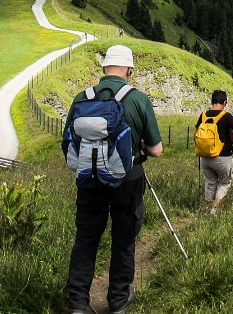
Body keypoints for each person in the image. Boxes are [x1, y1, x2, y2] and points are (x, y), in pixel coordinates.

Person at [64, 45, 162, 314]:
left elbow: (68, 142)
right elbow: (156, 150)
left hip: (88, 180)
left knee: (86, 238)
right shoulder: (137, 99)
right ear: (129, 69)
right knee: (124, 237)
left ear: (104, 68)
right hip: (127, 180)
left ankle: (77, 302)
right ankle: (118, 299)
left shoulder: (81, 98)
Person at [195, 90, 233, 214]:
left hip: (204, 156)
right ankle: (215, 209)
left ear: (212, 101)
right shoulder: (226, 116)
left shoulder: (203, 115)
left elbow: (197, 131)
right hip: (222, 156)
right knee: (224, 182)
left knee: (210, 182)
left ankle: (207, 208)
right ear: (225, 102)